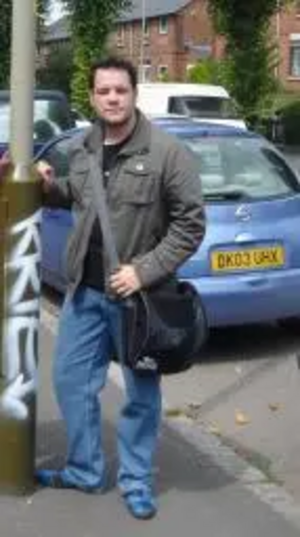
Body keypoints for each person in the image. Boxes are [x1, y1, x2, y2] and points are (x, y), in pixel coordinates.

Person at [36, 56, 206, 520]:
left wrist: (144, 270)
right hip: (84, 294)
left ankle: (135, 481)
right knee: (71, 381)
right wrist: (48, 186)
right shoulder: (85, 145)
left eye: (121, 90)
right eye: (104, 91)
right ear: (92, 97)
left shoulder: (167, 153)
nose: (112, 98)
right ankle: (85, 470)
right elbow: (79, 194)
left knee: (141, 396)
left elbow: (190, 226)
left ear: (134, 94)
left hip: (138, 301)